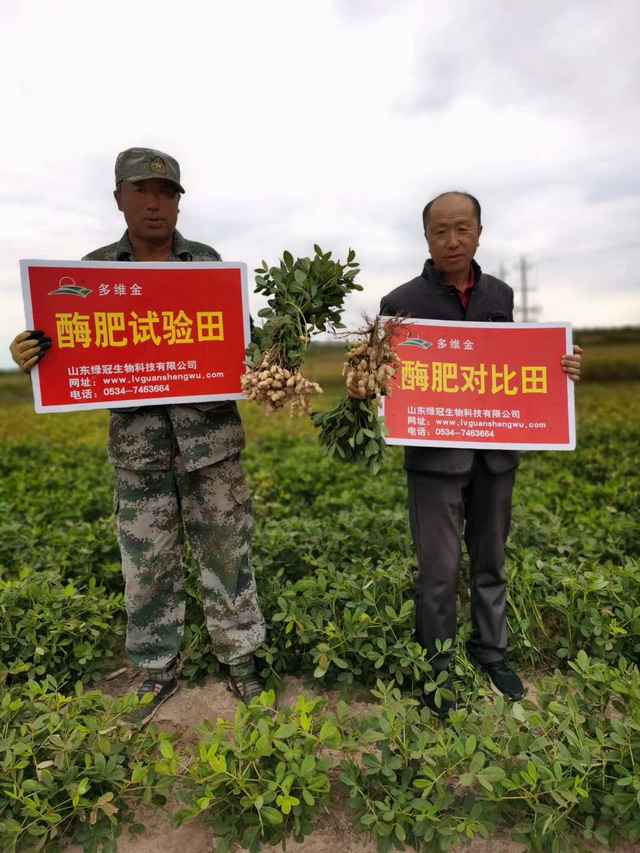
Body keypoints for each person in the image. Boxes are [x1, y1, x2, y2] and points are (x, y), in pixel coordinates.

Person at [10, 147, 267, 725]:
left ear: (178, 202)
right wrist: (35, 355)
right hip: (138, 447)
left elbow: (237, 340)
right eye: (142, 191)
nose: (155, 204)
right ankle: (156, 667)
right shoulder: (92, 272)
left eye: (166, 193)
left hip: (211, 442)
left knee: (227, 551)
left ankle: (241, 658)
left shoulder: (207, 263)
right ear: (119, 198)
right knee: (147, 562)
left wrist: (265, 343)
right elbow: (73, 349)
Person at [348, 191, 582, 718]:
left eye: (462, 229)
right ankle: (437, 666)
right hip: (434, 460)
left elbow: (513, 364)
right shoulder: (400, 302)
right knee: (439, 569)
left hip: (496, 455)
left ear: (479, 232)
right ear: (426, 238)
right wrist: (362, 385)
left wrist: (561, 367)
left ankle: (491, 651)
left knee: (491, 560)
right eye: (440, 231)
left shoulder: (500, 294)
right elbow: (382, 379)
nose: (452, 241)